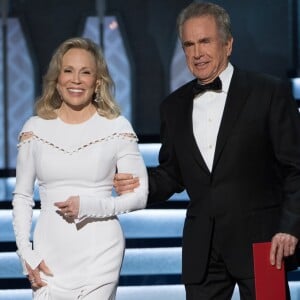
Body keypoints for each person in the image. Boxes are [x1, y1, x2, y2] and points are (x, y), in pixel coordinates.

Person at [114, 2, 300, 299]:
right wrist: (140, 182)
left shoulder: (268, 92)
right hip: (203, 251)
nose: (197, 53)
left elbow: (296, 168)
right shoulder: (172, 107)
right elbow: (173, 173)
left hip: (265, 247)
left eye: (205, 41)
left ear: (228, 44)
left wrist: (290, 227)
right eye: (189, 44)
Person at [12, 37, 148, 300]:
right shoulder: (34, 129)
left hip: (100, 252)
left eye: (85, 72)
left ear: (97, 82)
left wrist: (90, 206)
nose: (76, 79)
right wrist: (25, 253)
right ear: (57, 78)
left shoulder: (116, 127)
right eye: (68, 70)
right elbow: (22, 197)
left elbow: (140, 195)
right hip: (50, 254)